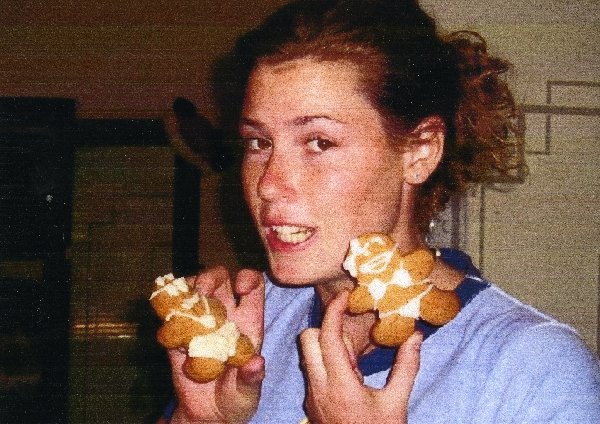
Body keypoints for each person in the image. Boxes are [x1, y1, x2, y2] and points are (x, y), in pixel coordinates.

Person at [163, 0, 600, 422]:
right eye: (259, 143)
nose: (269, 184)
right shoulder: (246, 331)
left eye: (319, 142)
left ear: (419, 151)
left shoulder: (533, 370)